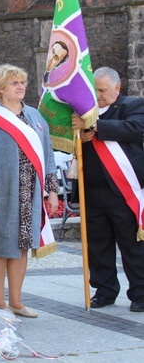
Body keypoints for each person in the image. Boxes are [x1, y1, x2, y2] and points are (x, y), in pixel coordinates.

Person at [0, 64, 59, 318]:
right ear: (0, 89)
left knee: (22, 246)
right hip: (0, 193)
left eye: (22, 82)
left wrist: (52, 192)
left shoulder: (34, 117)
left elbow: (47, 155)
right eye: (14, 83)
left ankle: (17, 302)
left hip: (29, 194)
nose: (21, 86)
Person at [71, 67, 144, 312]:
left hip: (123, 191)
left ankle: (140, 292)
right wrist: (79, 136)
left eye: (102, 90)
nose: (98, 95)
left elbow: (134, 129)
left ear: (117, 88)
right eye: (95, 90)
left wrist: (96, 127)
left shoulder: (132, 105)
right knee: (98, 245)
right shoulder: (82, 113)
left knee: (132, 245)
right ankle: (104, 291)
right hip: (92, 190)